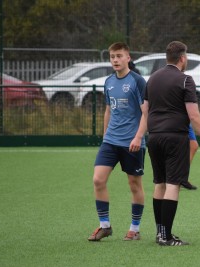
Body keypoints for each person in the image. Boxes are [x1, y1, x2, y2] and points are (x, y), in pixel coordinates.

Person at [143, 41, 200, 246]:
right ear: (182, 58)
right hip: (175, 137)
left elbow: (145, 110)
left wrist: (143, 134)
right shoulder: (185, 80)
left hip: (154, 137)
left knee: (159, 183)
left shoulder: (152, 79)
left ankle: (160, 233)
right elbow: (194, 115)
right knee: (173, 185)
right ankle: (166, 237)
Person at [88, 42, 148, 242]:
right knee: (98, 180)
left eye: (119, 56)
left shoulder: (137, 81)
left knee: (134, 184)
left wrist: (138, 137)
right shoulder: (109, 81)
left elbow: (146, 113)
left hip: (132, 142)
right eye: (112, 56)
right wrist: (105, 136)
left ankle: (135, 229)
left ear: (128, 58)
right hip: (111, 141)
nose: (115, 60)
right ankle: (105, 226)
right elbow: (108, 110)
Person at [180, 124, 198, 190]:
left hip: (185, 119)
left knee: (194, 146)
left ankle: (181, 178)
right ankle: (179, 179)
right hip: (178, 118)